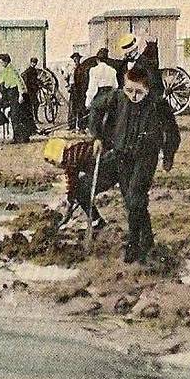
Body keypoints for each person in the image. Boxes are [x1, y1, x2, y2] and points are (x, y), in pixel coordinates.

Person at [77, 67, 180, 263]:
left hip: (145, 158)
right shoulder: (117, 97)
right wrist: (97, 136)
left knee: (134, 199)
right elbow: (96, 107)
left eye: (139, 92)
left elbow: (173, 132)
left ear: (148, 90)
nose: (133, 96)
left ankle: (134, 247)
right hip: (121, 156)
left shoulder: (158, 105)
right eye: (129, 90)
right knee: (123, 197)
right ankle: (145, 239)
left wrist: (168, 155)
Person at [43, 137, 104, 228]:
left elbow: (72, 184)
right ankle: (96, 219)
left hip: (102, 165)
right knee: (81, 187)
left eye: (53, 163)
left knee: (81, 192)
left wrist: (69, 207)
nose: (56, 166)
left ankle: (97, 220)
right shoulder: (73, 151)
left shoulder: (69, 160)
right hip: (99, 162)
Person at [0, 53, 34, 143]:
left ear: (5, 61)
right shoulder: (6, 70)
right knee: (15, 116)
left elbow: (19, 82)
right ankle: (19, 137)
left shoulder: (12, 70)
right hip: (11, 94)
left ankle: (19, 137)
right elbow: (1, 79)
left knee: (16, 116)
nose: (1, 64)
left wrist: (21, 95)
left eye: (1, 62)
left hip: (16, 94)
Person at [22, 57, 42, 129]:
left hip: (33, 90)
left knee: (35, 104)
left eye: (35, 63)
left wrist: (38, 82)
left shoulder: (34, 70)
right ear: (31, 63)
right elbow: (29, 80)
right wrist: (36, 83)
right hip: (30, 91)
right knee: (35, 103)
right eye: (33, 62)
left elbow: (35, 79)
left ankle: (35, 119)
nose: (34, 64)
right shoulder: (28, 71)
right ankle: (35, 119)